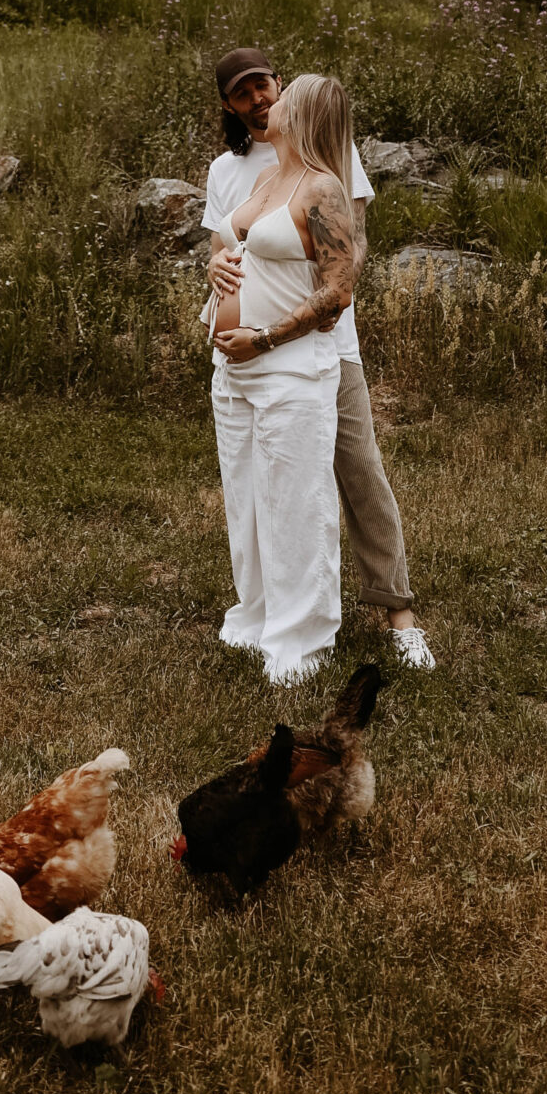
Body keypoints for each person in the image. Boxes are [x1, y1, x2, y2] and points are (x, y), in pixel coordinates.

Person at [205, 46, 435, 671]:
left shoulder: (324, 162)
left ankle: (400, 615)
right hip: (244, 363)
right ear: (228, 104)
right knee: (263, 486)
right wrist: (219, 271)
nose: (260, 98)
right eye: (244, 91)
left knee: (358, 472)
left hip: (321, 346)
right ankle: (271, 609)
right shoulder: (233, 172)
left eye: (267, 85)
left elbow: (345, 257)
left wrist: (284, 330)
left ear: (281, 88)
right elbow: (229, 245)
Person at [204, 72, 357, 684]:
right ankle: (257, 616)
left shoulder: (324, 190)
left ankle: (303, 639)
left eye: (284, 95)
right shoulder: (268, 177)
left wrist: (264, 338)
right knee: (247, 499)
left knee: (298, 503)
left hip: (289, 368)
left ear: (306, 115)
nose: (272, 101)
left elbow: (339, 292)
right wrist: (218, 263)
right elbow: (232, 243)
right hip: (233, 369)